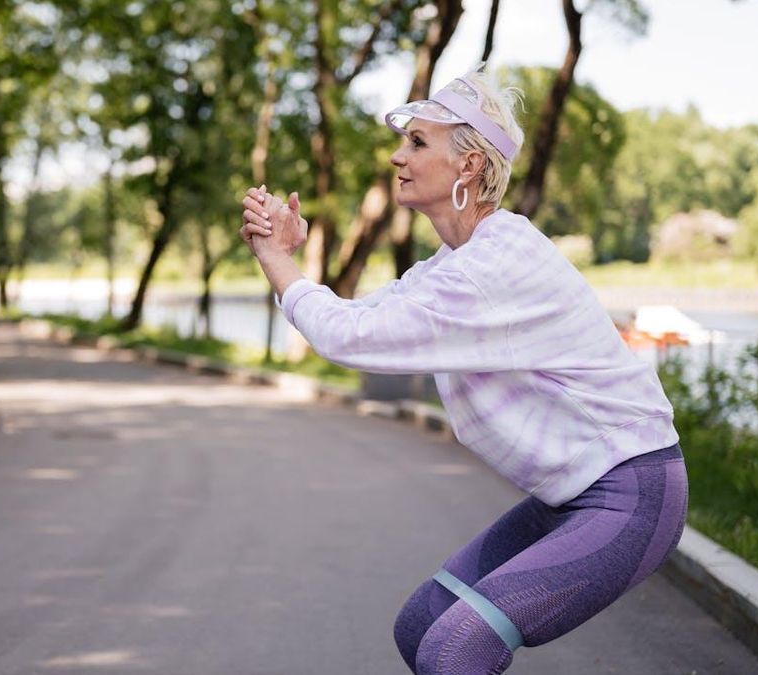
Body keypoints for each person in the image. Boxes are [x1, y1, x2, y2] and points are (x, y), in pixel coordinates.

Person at [238, 67, 687, 675]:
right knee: (421, 626)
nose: (398, 157)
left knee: (457, 648)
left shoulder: (494, 265)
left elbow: (347, 336)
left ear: (469, 166)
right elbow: (356, 321)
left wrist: (275, 261)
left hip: (629, 495)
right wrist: (290, 262)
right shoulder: (454, 264)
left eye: (418, 143)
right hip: (574, 497)